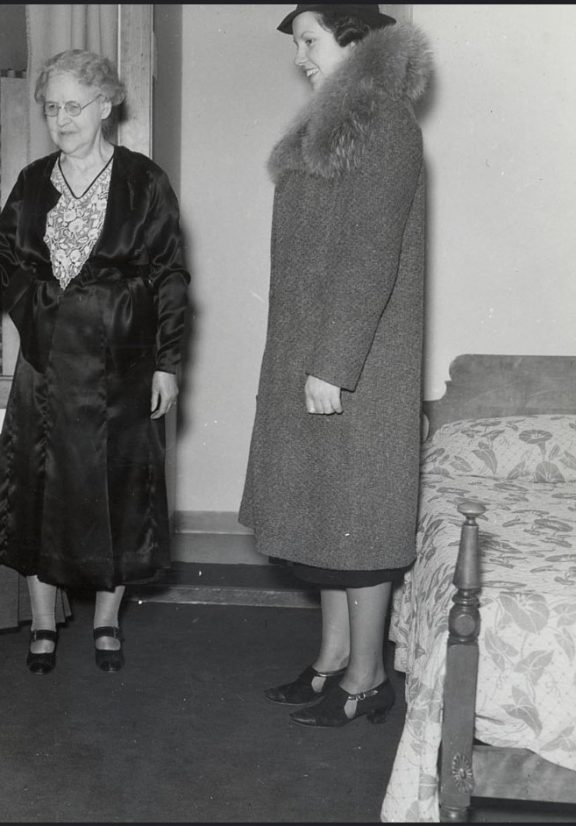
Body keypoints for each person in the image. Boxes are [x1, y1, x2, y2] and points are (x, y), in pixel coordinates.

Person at [0, 49, 190, 674]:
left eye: (74, 106)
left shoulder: (143, 181)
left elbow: (170, 276)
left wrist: (167, 363)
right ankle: (43, 621)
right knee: (39, 491)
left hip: (122, 369)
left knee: (117, 493)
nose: (62, 120)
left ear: (106, 105)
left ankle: (104, 619)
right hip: (45, 366)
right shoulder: (34, 179)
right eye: (51, 108)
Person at [240, 5, 433, 726]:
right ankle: (328, 661)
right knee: (324, 518)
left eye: (310, 41)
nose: (299, 57)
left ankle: (368, 676)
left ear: (354, 41)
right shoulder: (332, 123)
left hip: (358, 363)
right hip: (316, 352)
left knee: (358, 526)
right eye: (297, 44)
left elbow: (369, 254)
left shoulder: (384, 123)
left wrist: (333, 363)